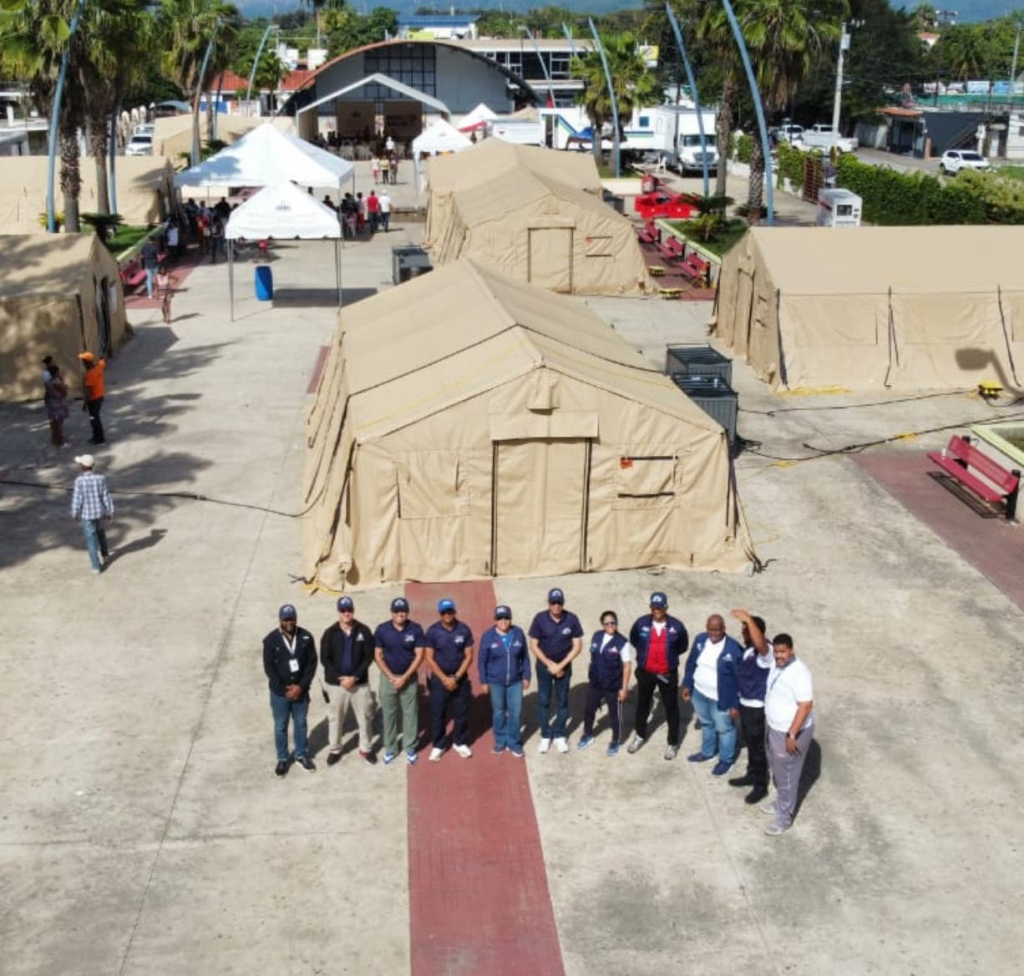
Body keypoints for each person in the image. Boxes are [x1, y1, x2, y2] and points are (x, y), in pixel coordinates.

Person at [762, 634, 814, 835]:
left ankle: (784, 819)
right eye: (776, 651)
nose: (779, 655)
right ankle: (779, 803)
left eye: (783, 651)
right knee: (777, 768)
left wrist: (792, 735)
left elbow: (806, 705)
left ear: (791, 650)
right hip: (775, 727)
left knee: (788, 776)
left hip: (790, 733)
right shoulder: (777, 664)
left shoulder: (800, 673)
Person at [626, 592, 689, 760]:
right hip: (646, 673)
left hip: (667, 674)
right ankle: (639, 736)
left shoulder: (677, 627)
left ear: (666, 608)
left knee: (671, 708)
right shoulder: (641, 623)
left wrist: (668, 660)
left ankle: (673, 743)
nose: (656, 610)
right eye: (654, 607)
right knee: (643, 704)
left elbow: (682, 646)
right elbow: (634, 639)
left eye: (660, 608)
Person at [681, 614, 743, 776]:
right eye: (711, 629)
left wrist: (735, 704)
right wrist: (687, 684)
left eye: (717, 629)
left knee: (724, 729)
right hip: (699, 693)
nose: (714, 633)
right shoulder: (701, 640)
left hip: (721, 699)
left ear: (724, 629)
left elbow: (741, 679)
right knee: (707, 724)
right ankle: (707, 752)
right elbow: (691, 663)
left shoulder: (733, 649)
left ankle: (725, 760)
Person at [320, 596, 376, 766]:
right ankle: (335, 749)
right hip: (337, 685)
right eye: (343, 610)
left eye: (349, 610)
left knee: (365, 717)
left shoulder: (364, 630)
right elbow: (325, 659)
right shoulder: (330, 633)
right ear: (338, 612)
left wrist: (355, 677)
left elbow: (368, 657)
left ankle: (366, 748)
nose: (346, 613)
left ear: (353, 610)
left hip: (359, 684)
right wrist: (340, 678)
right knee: (335, 718)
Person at [263, 604, 318, 776]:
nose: (289, 622)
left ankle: (301, 755)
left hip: (300, 691)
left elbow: (311, 664)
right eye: (286, 619)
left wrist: (300, 687)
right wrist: (284, 689)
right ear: (280, 620)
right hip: (280, 694)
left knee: (300, 724)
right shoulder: (271, 640)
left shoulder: (306, 637)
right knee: (280, 726)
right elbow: (269, 668)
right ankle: (282, 758)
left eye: (292, 618)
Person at [528, 587, 583, 754]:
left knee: (562, 702)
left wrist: (561, 666)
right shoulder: (539, 619)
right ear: (549, 604)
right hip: (544, 667)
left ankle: (559, 735)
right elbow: (533, 645)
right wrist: (549, 664)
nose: (556, 606)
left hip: (564, 668)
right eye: (553, 603)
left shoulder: (572, 619)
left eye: (559, 603)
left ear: (563, 603)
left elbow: (577, 646)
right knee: (544, 701)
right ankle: (546, 735)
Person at [374, 597, 426, 765]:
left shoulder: (415, 629)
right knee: (389, 713)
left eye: (403, 611)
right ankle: (390, 747)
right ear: (392, 613)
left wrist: (404, 677)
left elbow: (419, 655)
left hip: (409, 679)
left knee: (410, 713)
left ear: (407, 612)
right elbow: (378, 655)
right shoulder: (382, 630)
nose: (400, 614)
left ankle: (410, 747)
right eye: (396, 611)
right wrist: (391, 677)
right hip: (388, 678)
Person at [728, 609, 772, 804]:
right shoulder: (747, 651)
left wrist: (748, 620)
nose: (742, 633)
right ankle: (751, 774)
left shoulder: (766, 653)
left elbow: (761, 645)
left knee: (758, 748)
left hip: (757, 708)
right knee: (750, 744)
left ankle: (760, 786)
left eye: (746, 630)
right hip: (745, 705)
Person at [424, 599, 475, 762]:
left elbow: (469, 657)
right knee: (438, 715)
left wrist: (456, 677)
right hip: (440, 680)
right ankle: (438, 745)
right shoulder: (432, 631)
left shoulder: (464, 630)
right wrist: (445, 679)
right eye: (444, 612)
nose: (447, 615)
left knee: (461, 714)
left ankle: (460, 742)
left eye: (450, 611)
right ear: (439, 614)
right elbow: (429, 658)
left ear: (454, 611)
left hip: (460, 679)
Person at [577, 611, 634, 757]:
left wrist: (624, 688)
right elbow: (593, 656)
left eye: (613, 622)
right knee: (588, 710)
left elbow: (627, 666)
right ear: (602, 625)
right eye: (607, 623)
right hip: (595, 682)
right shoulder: (597, 636)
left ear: (616, 623)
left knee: (615, 715)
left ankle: (616, 740)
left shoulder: (622, 642)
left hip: (613, 685)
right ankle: (587, 734)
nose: (610, 625)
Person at [478, 605, 530, 757]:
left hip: (515, 681)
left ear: (510, 619)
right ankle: (500, 741)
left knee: (515, 712)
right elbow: (482, 661)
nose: (503, 621)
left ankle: (514, 742)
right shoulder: (488, 636)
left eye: (506, 618)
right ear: (495, 620)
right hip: (496, 682)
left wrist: (527, 676)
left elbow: (525, 657)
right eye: (500, 618)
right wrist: (483, 681)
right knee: (499, 712)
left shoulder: (518, 633)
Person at [70, 453, 113, 573]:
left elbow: (77, 498)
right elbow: (106, 496)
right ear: (92, 466)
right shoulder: (101, 478)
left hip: (87, 515)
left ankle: (96, 566)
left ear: (82, 467)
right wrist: (109, 511)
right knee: (101, 534)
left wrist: (75, 512)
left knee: (91, 540)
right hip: (99, 512)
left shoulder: (79, 481)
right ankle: (105, 555)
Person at [78, 352, 106, 445]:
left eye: (83, 361)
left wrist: (84, 405)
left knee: (94, 419)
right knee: (94, 418)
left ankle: (100, 439)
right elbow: (103, 360)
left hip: (93, 400)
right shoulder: (99, 367)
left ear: (87, 362)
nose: (82, 363)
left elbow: (88, 393)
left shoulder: (89, 375)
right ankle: (96, 436)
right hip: (100, 397)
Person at [44, 364, 70, 448]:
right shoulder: (56, 382)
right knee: (58, 424)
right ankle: (60, 442)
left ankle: (55, 439)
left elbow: (47, 394)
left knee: (53, 423)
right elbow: (64, 392)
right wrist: (63, 382)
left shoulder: (48, 382)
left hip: (51, 404)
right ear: (56, 372)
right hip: (58, 404)